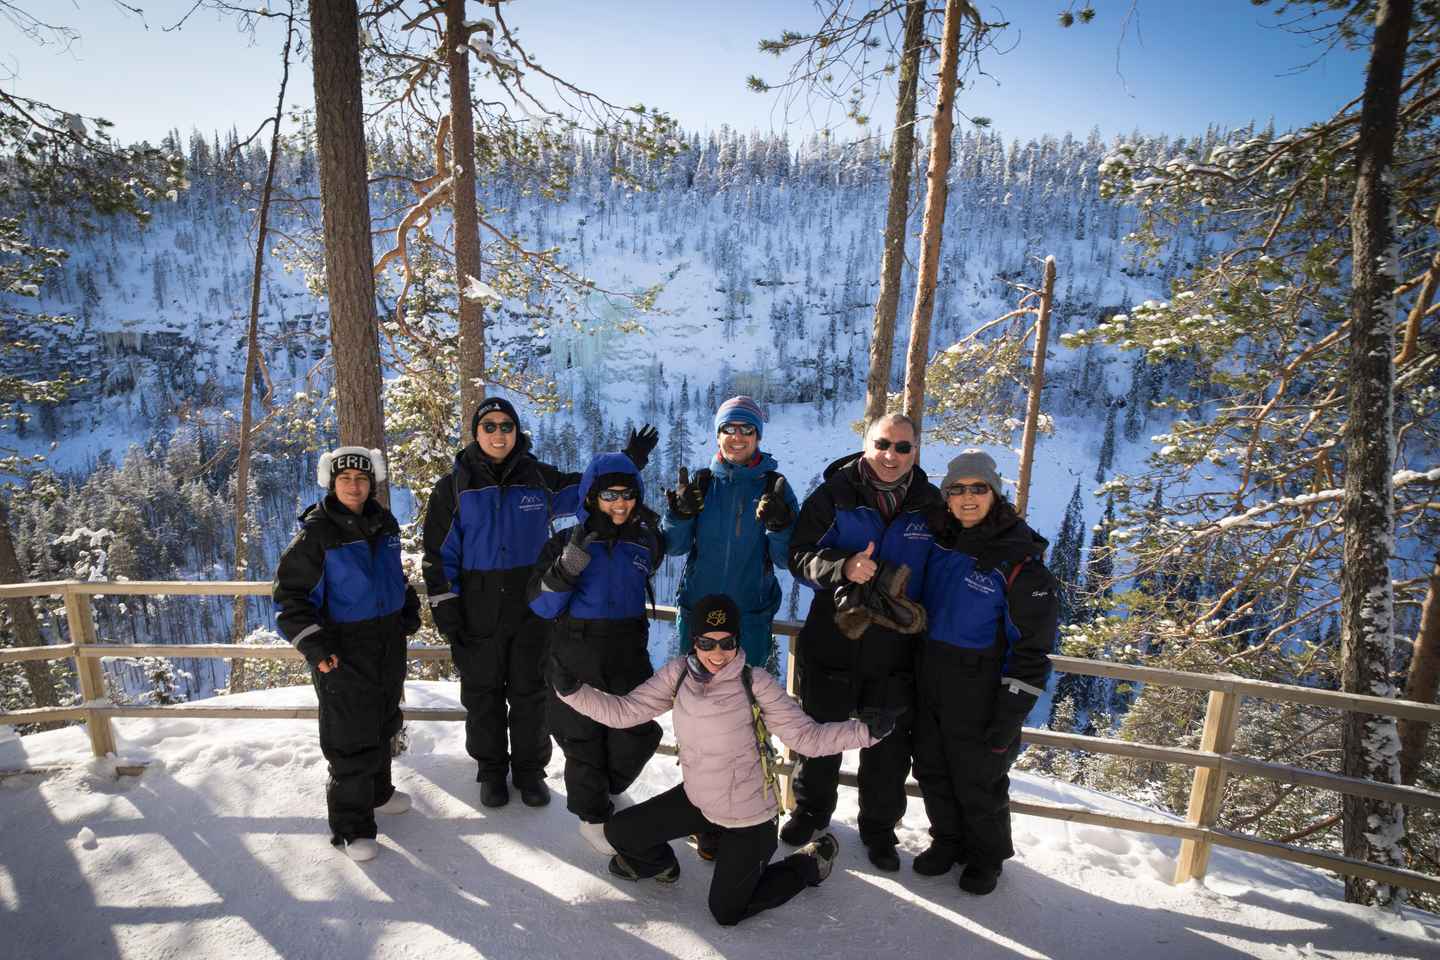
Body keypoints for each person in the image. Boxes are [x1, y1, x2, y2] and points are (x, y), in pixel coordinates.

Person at [549, 593, 901, 927]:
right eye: (707, 642)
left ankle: (808, 864)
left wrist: (868, 732)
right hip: (699, 799)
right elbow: (626, 711)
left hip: (749, 816)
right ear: (694, 641)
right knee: (617, 833)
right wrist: (573, 691)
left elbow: (806, 737)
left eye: (726, 642)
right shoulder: (678, 676)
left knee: (727, 911)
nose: (717, 653)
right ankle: (662, 866)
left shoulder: (754, 684)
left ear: (737, 641)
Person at [421, 394, 655, 809]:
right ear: (476, 432)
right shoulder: (454, 485)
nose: (498, 433)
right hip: (478, 603)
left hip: (531, 603)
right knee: (483, 691)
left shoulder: (538, 478)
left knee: (532, 691)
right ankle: (491, 771)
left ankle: (530, 771)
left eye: (506, 426)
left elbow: (591, 488)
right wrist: (447, 607)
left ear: (517, 432)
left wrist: (627, 462)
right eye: (489, 426)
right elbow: (439, 555)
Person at [783, 413, 943, 872]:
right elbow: (797, 555)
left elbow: (947, 566)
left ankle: (878, 829)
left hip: (895, 647)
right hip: (832, 636)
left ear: (916, 450)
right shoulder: (835, 493)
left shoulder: (928, 505)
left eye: (903, 447)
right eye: (883, 444)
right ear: (867, 443)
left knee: (887, 744)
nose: (891, 456)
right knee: (819, 734)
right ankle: (810, 812)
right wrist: (842, 568)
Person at [661, 395, 799, 860]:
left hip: (748, 621)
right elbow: (676, 548)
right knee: (697, 723)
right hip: (697, 618)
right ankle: (705, 818)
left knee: (745, 721)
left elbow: (786, 558)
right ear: (717, 434)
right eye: (729, 429)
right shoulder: (703, 482)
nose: (737, 437)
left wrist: (781, 526)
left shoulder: (774, 486)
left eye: (746, 429)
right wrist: (678, 513)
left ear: (758, 436)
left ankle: (752, 816)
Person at [916, 449, 1058, 895]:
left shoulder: (1018, 559)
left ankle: (986, 857)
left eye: (978, 488)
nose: (968, 497)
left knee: (979, 778)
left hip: (980, 688)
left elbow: (1033, 648)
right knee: (933, 769)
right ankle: (947, 841)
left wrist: (1010, 713)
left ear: (995, 493)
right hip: (931, 675)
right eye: (957, 489)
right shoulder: (941, 541)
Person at [274, 446, 421, 862]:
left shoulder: (383, 523)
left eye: (360, 479)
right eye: (345, 479)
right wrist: (316, 646)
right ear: (332, 484)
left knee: (384, 720)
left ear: (370, 483)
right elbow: (290, 598)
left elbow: (392, 576)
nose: (354, 486)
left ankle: (378, 793)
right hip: (341, 649)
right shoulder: (318, 534)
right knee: (350, 736)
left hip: (386, 642)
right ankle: (351, 827)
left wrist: (405, 608)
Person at [528, 445, 663, 854]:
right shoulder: (563, 542)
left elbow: (662, 548)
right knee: (581, 736)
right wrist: (568, 566)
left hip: (627, 649)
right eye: (610, 495)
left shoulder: (643, 543)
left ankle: (609, 787)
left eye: (627, 494)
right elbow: (540, 603)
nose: (620, 503)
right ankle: (592, 815)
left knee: (639, 730)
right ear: (591, 497)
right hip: (576, 648)